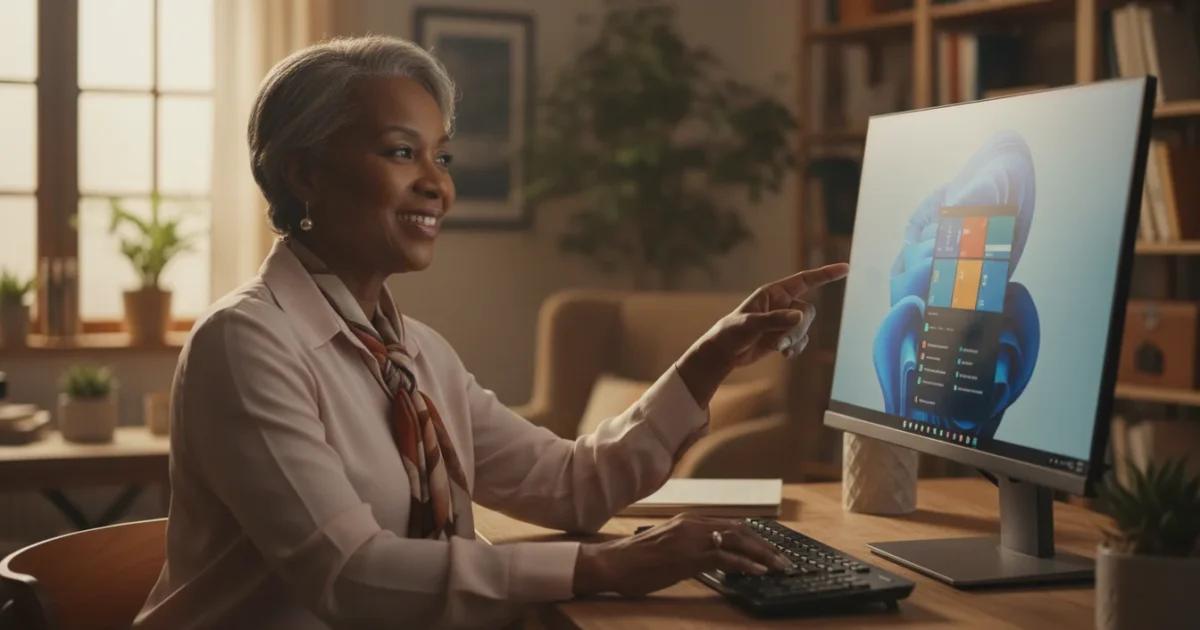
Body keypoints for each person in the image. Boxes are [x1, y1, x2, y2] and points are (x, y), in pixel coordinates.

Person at [133, 34, 849, 630]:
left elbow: (573, 485)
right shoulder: (246, 343)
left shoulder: (414, 357)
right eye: (400, 152)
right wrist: (608, 564)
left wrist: (709, 359)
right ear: (305, 174)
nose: (437, 185)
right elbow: (350, 576)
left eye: (441, 157)